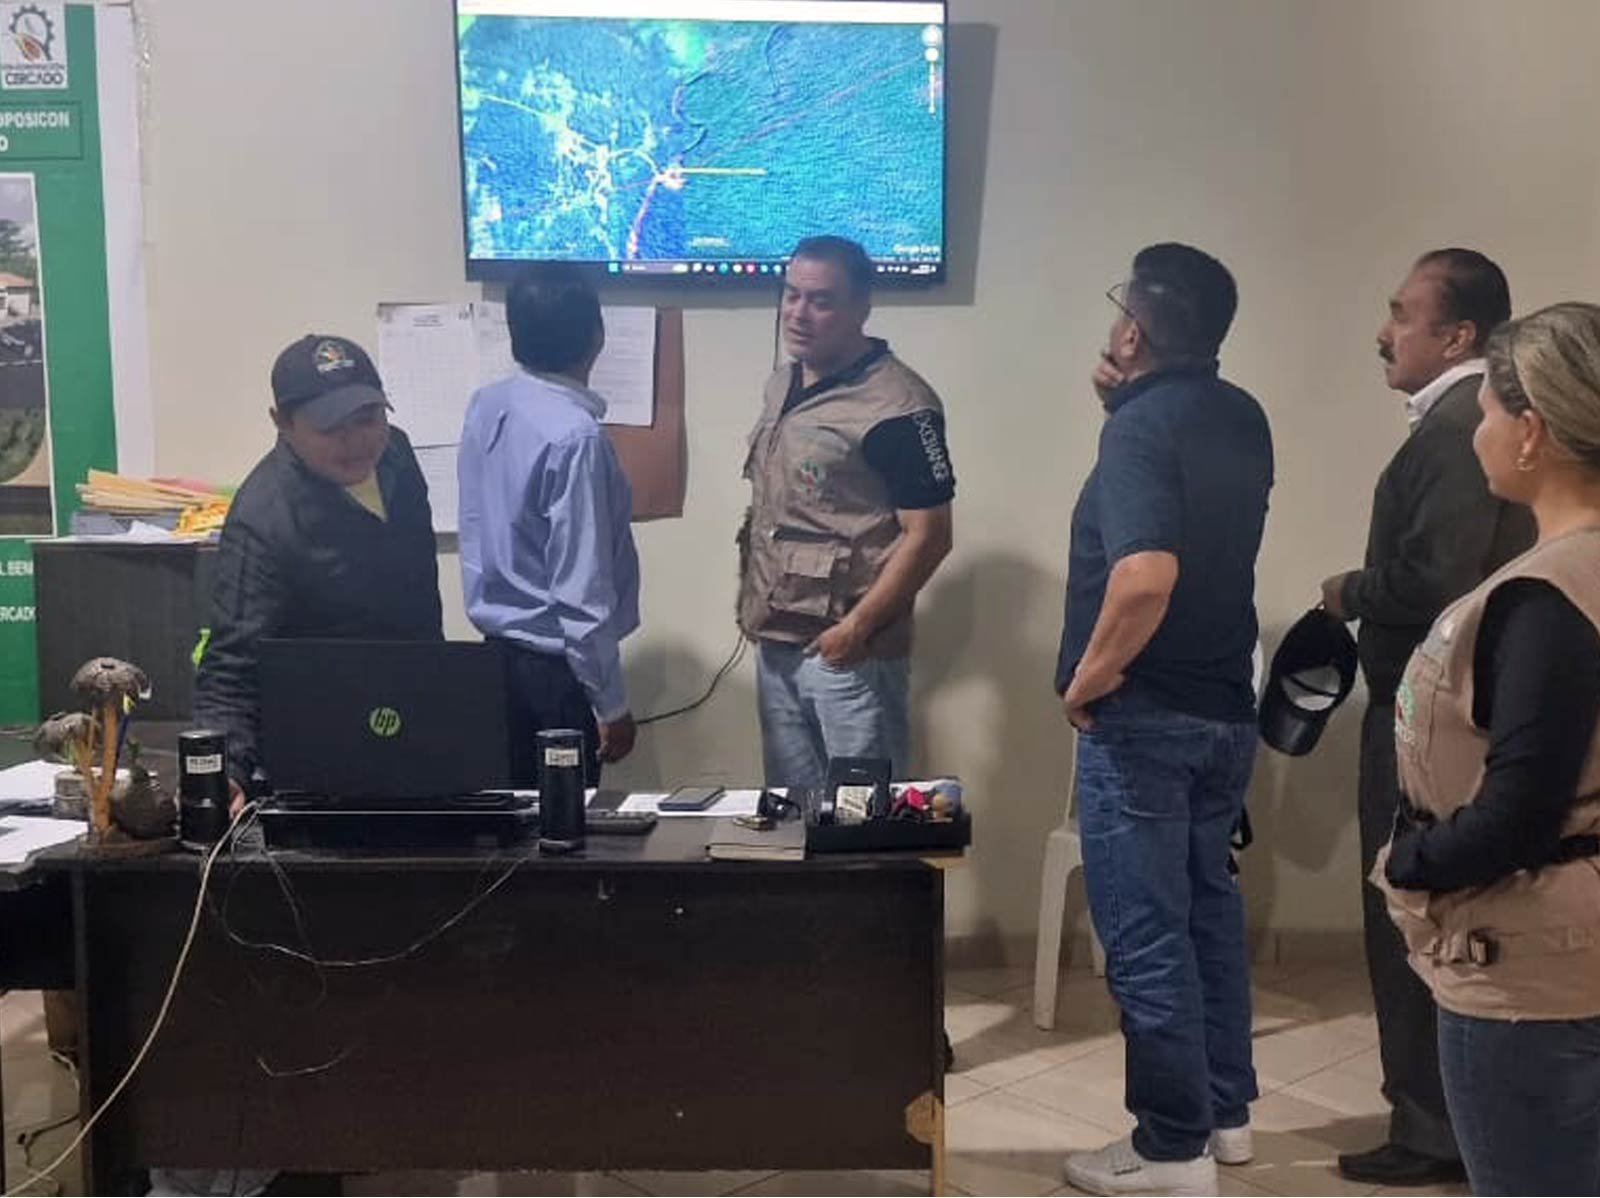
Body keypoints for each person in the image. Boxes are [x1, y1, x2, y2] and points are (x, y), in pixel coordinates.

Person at [1058, 243, 1273, 1197]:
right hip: (1225, 711)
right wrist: (1126, 406)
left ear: (1133, 332)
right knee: (1206, 917)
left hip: (1144, 719)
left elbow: (1146, 576)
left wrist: (1089, 679)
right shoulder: (1240, 414)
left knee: (1145, 935)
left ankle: (1170, 1149)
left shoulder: (1142, 429)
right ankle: (1225, 1119)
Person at [1374, 302, 1600, 1195]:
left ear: (1532, 431)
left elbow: (1518, 815)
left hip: (1533, 973)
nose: (1479, 435)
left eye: (1489, 414)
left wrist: (1407, 862)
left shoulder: (1549, 596)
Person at [1320, 249, 1532, 1187]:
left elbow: (1439, 577)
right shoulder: (1465, 423)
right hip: (1461, 709)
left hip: (1431, 719)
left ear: (1459, 336)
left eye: (1402, 314)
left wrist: (1349, 590)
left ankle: (1430, 1126)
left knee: (1406, 909)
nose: (1384, 332)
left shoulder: (1454, 431)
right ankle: (1449, 1116)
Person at [737, 235, 955, 788]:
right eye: (791, 295)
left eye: (821, 301)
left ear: (862, 307)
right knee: (792, 815)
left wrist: (856, 629)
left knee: (864, 820)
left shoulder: (899, 405)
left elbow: (930, 535)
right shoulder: (782, 383)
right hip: (777, 644)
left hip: (850, 654)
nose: (798, 313)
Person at [194, 334, 443, 812]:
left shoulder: (396, 455)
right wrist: (226, 773)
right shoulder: (263, 518)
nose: (357, 441)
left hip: (416, 718)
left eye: (368, 418)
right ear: (282, 424)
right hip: (319, 755)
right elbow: (230, 667)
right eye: (332, 428)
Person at [458, 263, 640, 785]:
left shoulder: (487, 404)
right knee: (563, 822)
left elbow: (474, 526)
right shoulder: (576, 438)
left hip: (495, 664)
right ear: (597, 336)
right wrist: (610, 703)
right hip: (556, 678)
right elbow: (581, 587)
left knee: (510, 818)